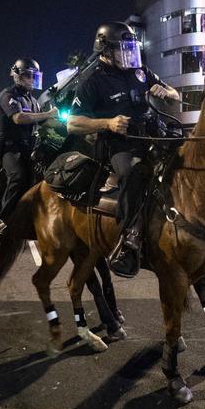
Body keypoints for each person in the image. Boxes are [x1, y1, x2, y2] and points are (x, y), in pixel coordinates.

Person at [67, 21, 179, 277]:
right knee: (134, 173)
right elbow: (72, 123)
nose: (129, 54)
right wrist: (107, 123)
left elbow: (176, 95)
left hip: (154, 134)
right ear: (105, 50)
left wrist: (167, 93)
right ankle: (129, 240)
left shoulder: (139, 71)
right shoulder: (92, 80)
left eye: (131, 48)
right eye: (123, 49)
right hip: (121, 143)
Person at [0, 58, 60, 238]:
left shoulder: (33, 101)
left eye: (34, 76)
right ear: (18, 76)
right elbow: (19, 118)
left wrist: (67, 122)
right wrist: (47, 114)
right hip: (9, 148)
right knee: (18, 176)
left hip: (28, 147)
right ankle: (3, 221)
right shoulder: (8, 95)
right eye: (28, 75)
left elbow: (46, 122)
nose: (32, 79)